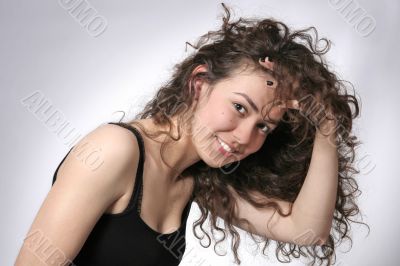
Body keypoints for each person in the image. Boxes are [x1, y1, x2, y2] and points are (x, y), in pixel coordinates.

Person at [15, 3, 368, 266]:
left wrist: (325, 127)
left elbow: (307, 229)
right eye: (240, 107)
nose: (245, 137)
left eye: (264, 126)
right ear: (199, 84)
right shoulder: (114, 151)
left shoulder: (198, 178)